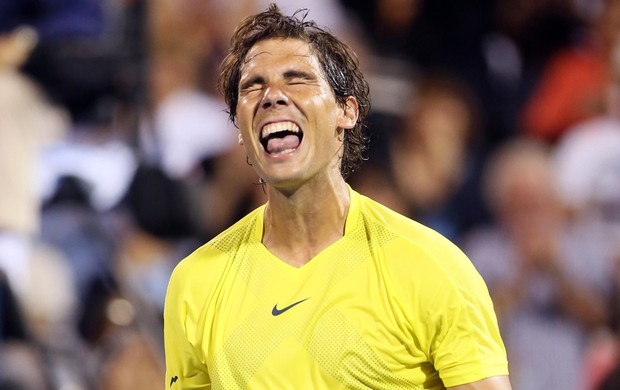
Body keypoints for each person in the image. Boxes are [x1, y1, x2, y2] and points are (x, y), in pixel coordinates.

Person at [163, 4, 511, 389]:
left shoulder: (432, 266)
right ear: (241, 129)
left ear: (346, 111)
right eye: (253, 86)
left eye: (297, 80)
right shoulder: (195, 282)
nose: (272, 96)